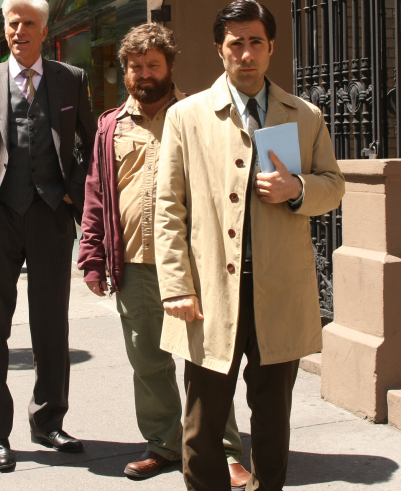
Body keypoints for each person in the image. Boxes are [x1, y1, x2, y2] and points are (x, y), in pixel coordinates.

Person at [155, 0, 345, 491]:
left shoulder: (304, 115)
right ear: (220, 49)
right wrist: (177, 285)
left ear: (271, 47)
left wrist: (297, 188)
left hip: (279, 292)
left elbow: (334, 184)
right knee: (202, 425)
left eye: (256, 41)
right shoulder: (186, 116)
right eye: (235, 43)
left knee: (273, 422)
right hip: (212, 295)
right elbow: (168, 208)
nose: (246, 53)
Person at [78, 24, 250, 487]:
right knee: (148, 363)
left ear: (170, 66)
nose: (143, 74)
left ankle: (226, 449)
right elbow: (97, 193)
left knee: (207, 363)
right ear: (125, 71)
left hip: (193, 269)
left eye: (153, 64)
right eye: (135, 66)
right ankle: (163, 444)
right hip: (133, 266)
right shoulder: (110, 125)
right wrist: (91, 255)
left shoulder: (198, 115)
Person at [0, 0, 96, 473]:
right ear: (5, 29)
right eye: (12, 23)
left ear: (44, 29)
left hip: (51, 215)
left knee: (51, 323)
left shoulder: (70, 79)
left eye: (28, 23)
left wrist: (73, 191)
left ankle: (48, 419)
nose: (19, 31)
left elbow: (92, 146)